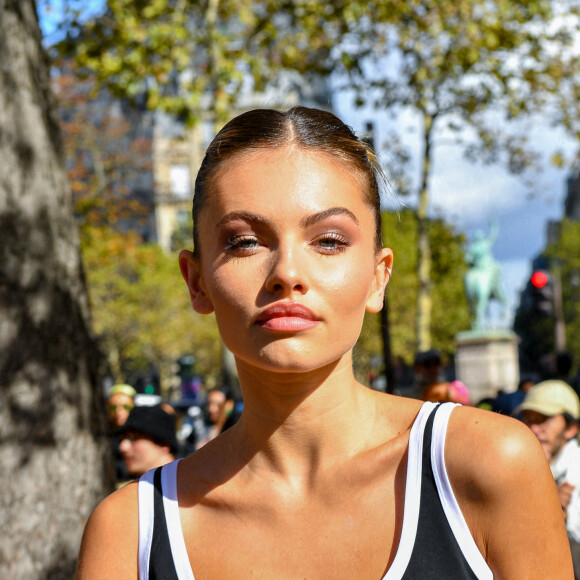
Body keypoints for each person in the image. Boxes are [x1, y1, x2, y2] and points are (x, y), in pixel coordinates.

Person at [75, 107, 572, 579]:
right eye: (245, 241)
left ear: (379, 277)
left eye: (329, 240)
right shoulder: (129, 533)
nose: (288, 273)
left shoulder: (488, 466)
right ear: (196, 280)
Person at [518, 380, 580, 577]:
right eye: (528, 419)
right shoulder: (519, 470)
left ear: (571, 429)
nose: (534, 428)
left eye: (544, 419)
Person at [116, 405, 178, 483]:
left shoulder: (190, 486)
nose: (123, 447)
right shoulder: (126, 490)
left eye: (135, 438)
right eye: (122, 439)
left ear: (163, 444)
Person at [107, 383, 137, 483]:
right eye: (113, 407)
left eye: (126, 407)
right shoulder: (103, 438)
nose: (119, 411)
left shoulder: (144, 435)